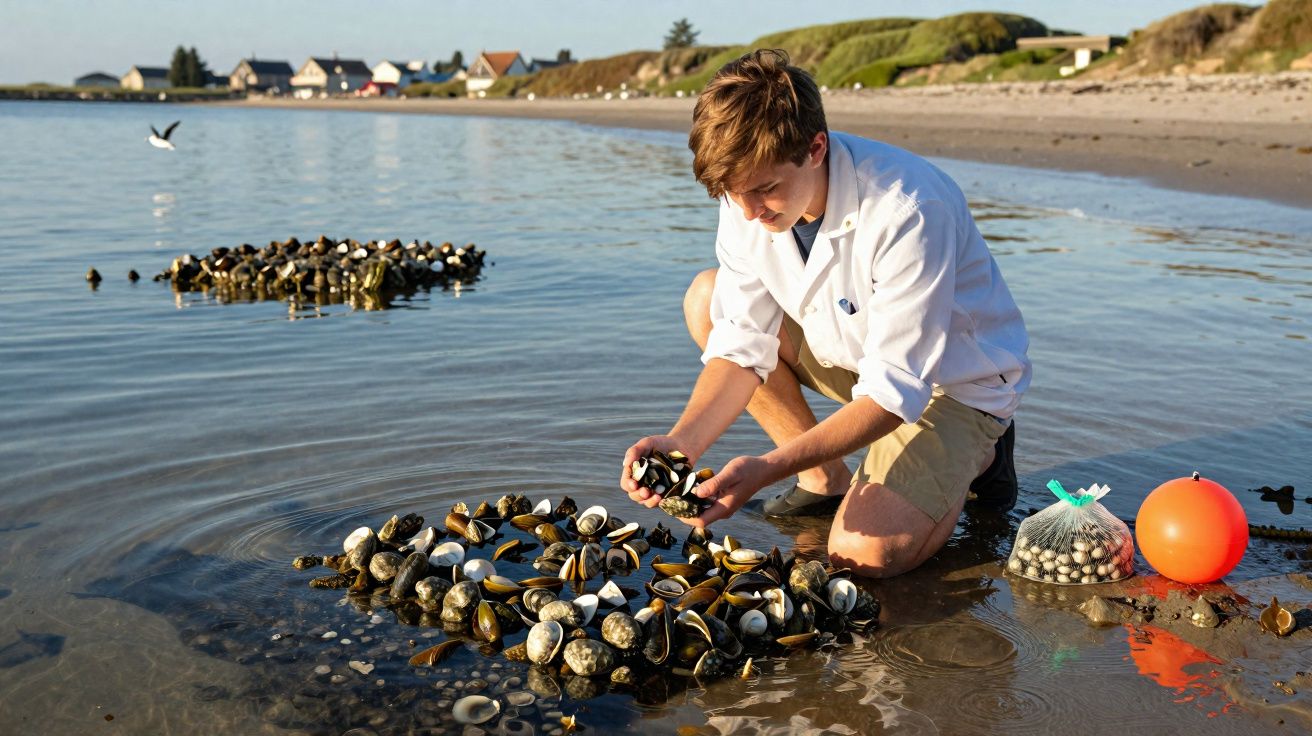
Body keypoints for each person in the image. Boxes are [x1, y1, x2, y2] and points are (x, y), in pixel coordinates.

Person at [619, 49, 1032, 578]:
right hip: (855, 354)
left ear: (815, 148)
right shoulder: (746, 195)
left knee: (864, 557)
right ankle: (824, 478)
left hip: (950, 386)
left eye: (765, 189)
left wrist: (767, 468)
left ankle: (984, 453)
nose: (748, 212)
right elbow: (741, 346)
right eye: (731, 193)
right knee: (708, 298)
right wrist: (683, 443)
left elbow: (893, 390)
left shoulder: (907, 209)